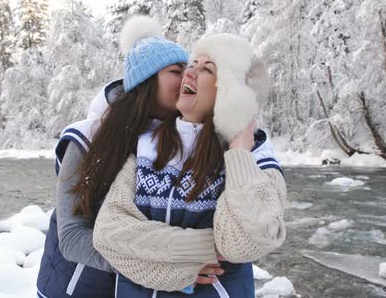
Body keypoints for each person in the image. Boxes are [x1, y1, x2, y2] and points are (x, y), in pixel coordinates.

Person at [93, 34, 287, 297]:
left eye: (206, 69)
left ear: (230, 91)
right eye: (192, 64)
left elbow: (247, 244)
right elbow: (108, 234)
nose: (190, 72)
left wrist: (239, 152)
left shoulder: (256, 155)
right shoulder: (147, 145)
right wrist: (196, 255)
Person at [36, 16, 193, 298]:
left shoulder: (183, 140)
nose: (188, 78)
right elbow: (71, 239)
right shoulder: (87, 139)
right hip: (76, 287)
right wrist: (154, 265)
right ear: (146, 81)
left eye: (189, 69)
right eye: (176, 70)